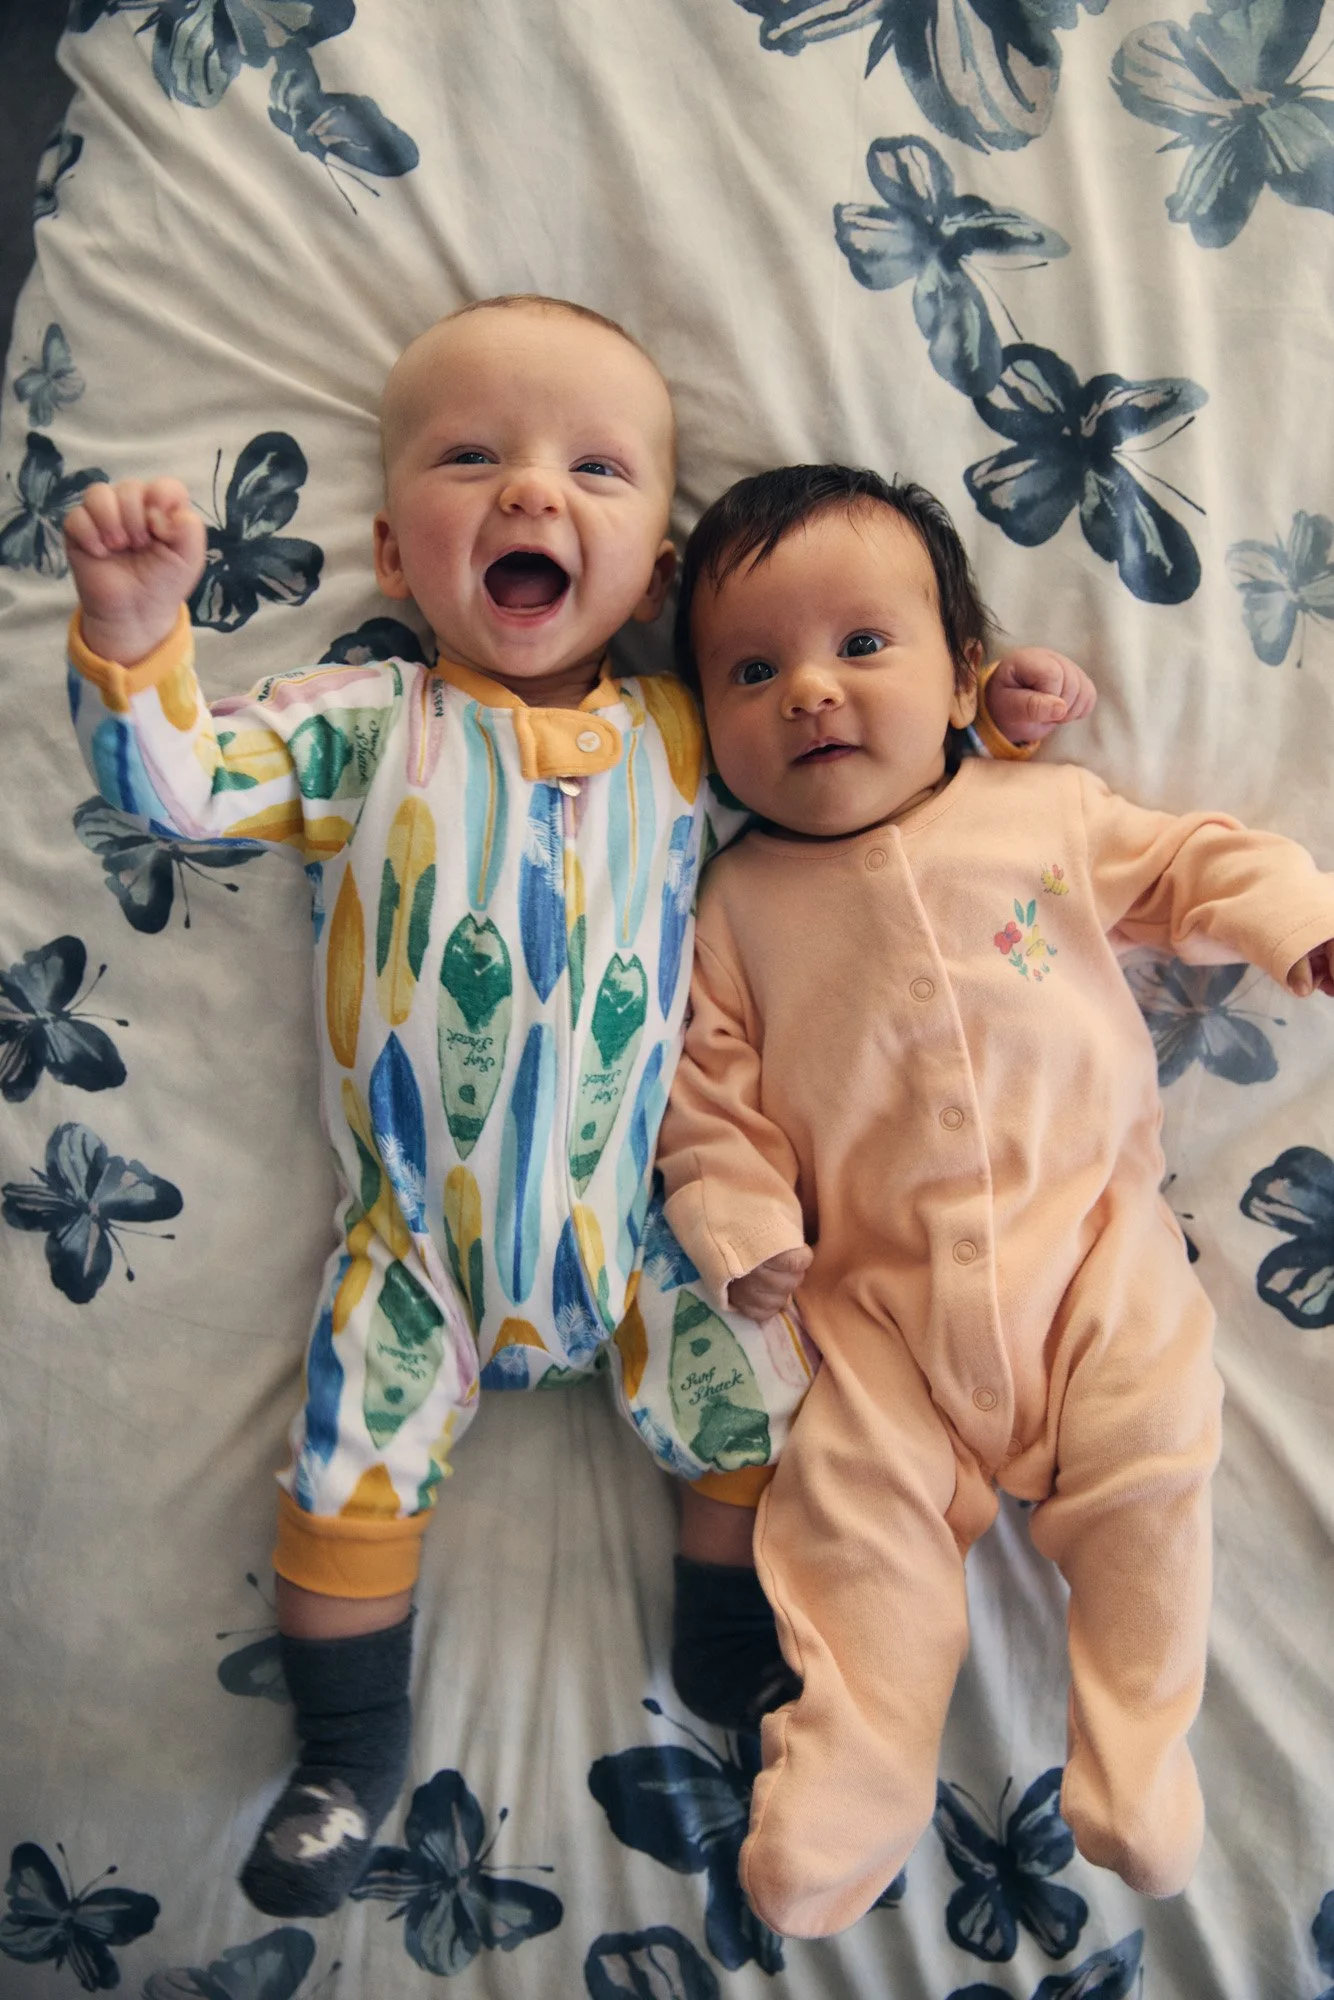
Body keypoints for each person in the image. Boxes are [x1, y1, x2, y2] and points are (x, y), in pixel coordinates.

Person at [60, 299, 1089, 1919]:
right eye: (475, 460)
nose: (534, 496)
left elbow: (863, 778)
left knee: (754, 1424)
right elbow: (175, 786)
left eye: (596, 471)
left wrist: (993, 714)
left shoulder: (693, 734)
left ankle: (732, 1658)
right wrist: (135, 634)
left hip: (651, 1226)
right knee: (342, 1465)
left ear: (661, 582)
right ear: (397, 555)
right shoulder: (364, 723)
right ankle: (347, 1757)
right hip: (417, 1240)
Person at [654, 462, 1334, 1939]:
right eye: (751, 670)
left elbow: (1190, 861)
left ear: (966, 674)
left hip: (1092, 1259)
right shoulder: (736, 905)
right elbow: (701, 1098)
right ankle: (853, 1779)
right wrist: (742, 1229)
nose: (809, 695)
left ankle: (1136, 1753)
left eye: (861, 647)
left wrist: (1295, 922)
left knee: (1156, 1467)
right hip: (877, 1315)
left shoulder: (1043, 811)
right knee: (851, 1536)